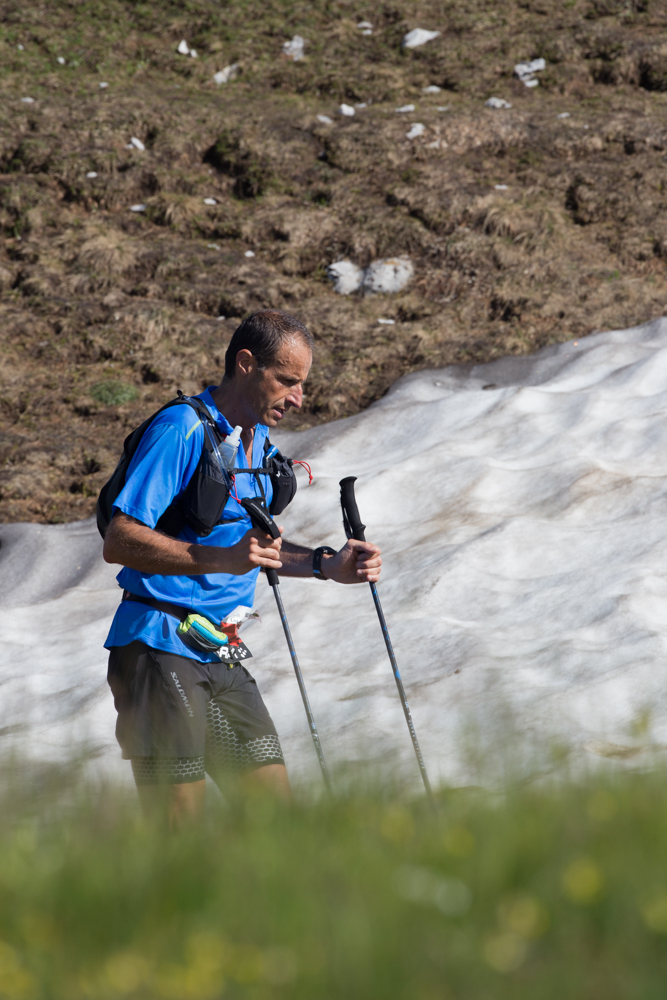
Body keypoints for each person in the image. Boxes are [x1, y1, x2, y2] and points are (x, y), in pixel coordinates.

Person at [102, 309, 382, 827]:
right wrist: (216, 560)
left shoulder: (256, 443)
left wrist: (327, 565)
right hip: (157, 646)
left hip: (220, 650)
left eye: (302, 384)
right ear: (247, 364)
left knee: (274, 824)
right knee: (178, 833)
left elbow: (250, 545)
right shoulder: (182, 429)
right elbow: (120, 538)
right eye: (288, 380)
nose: (298, 398)